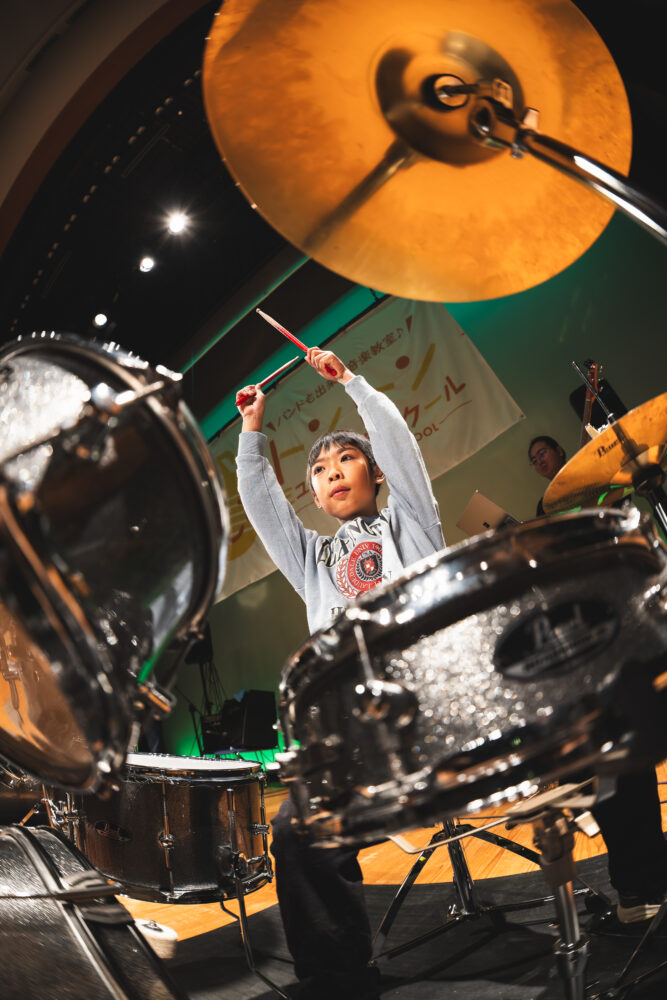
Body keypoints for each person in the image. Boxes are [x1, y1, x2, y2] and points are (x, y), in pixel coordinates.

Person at [236, 347, 444, 999]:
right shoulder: (313, 561)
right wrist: (251, 429)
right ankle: (337, 976)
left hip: (426, 712)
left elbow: (399, 446)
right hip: (352, 736)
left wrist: (352, 383)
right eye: (319, 471)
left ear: (375, 474)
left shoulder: (409, 523)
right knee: (294, 828)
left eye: (346, 460)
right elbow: (262, 503)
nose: (331, 473)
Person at [528, 433, 667, 925]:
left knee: (616, 759)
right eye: (533, 459)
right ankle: (640, 882)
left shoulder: (608, 489)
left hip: (625, 619)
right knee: (604, 764)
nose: (539, 461)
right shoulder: (545, 509)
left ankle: (640, 885)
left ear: (562, 454)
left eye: (543, 452)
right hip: (592, 629)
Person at [528, 435, 566, 515]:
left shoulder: (587, 475)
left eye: (542, 454)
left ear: (559, 451)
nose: (539, 462)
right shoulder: (543, 506)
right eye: (534, 461)